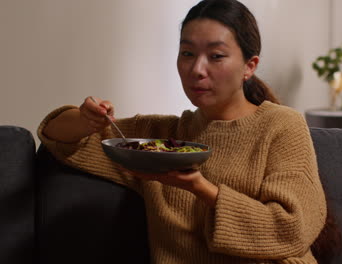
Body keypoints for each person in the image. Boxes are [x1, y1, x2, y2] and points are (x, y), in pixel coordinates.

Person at [38, 0, 327, 263]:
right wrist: (87, 119)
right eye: (187, 53)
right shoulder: (159, 136)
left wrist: (200, 188)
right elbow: (56, 135)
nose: (197, 69)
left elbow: (292, 230)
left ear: (249, 66)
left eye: (216, 56)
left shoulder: (282, 125)